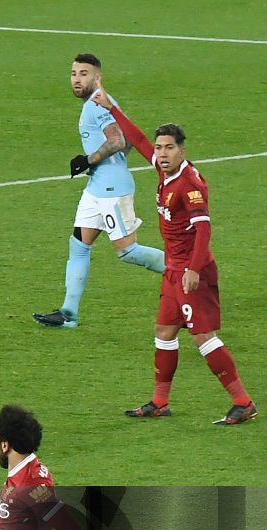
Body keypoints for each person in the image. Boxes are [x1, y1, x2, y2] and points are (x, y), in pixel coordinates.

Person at [91, 84, 258, 425]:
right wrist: (112, 109)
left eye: (169, 148)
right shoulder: (165, 170)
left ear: (182, 151)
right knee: (164, 332)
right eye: (161, 148)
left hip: (191, 272)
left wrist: (193, 269)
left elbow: (204, 229)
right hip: (173, 271)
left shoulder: (189, 185)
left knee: (203, 338)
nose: (162, 153)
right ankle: (160, 402)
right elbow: (137, 140)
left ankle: (243, 401)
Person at [33, 53, 164, 329]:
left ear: (97, 77)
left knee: (128, 252)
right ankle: (68, 313)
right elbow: (126, 138)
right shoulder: (105, 101)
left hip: (111, 190)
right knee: (79, 246)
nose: (77, 79)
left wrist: (88, 160)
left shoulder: (97, 103)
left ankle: (187, 275)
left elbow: (117, 140)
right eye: (73, 74)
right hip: (96, 188)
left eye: (84, 74)